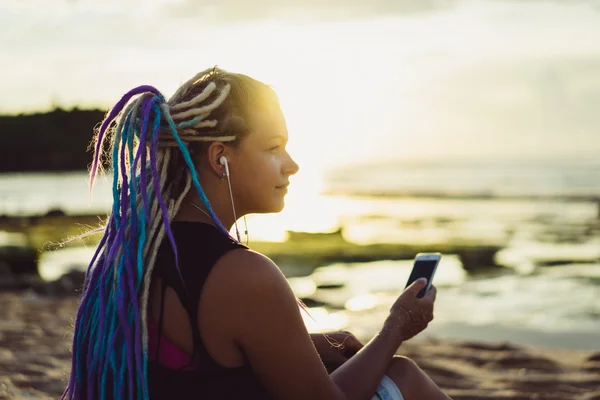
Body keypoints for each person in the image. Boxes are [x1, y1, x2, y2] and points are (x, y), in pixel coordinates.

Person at [63, 67, 451, 400]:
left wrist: (311, 347)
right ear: (220, 159)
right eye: (274, 148)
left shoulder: (135, 254)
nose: (292, 165)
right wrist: (395, 328)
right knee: (402, 375)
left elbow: (195, 364)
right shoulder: (242, 275)